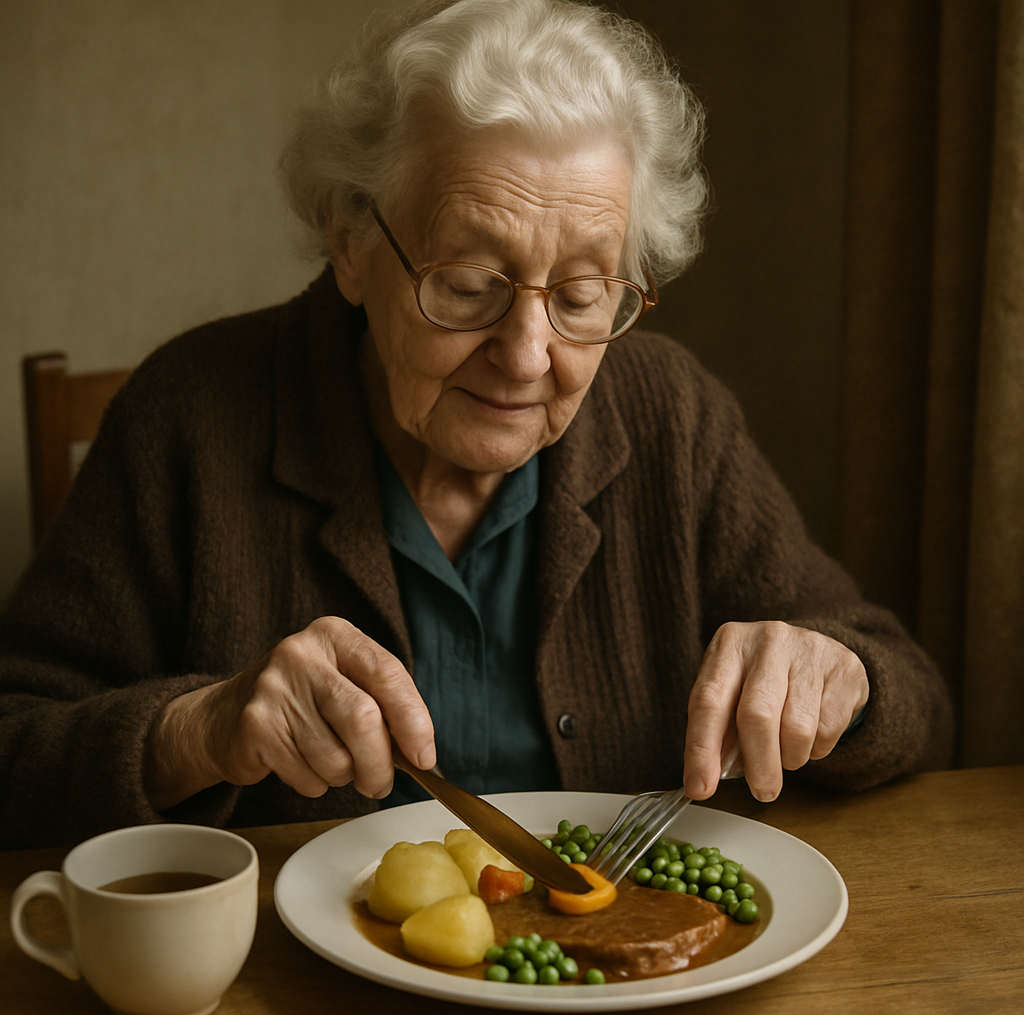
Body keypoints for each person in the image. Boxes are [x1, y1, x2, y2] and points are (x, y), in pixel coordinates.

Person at [0, 0, 953, 851]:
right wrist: (197, 731)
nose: (529, 353)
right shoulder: (190, 417)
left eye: (582, 296)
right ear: (350, 240)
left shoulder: (672, 414)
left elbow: (915, 698)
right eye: (467, 287)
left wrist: (843, 679)